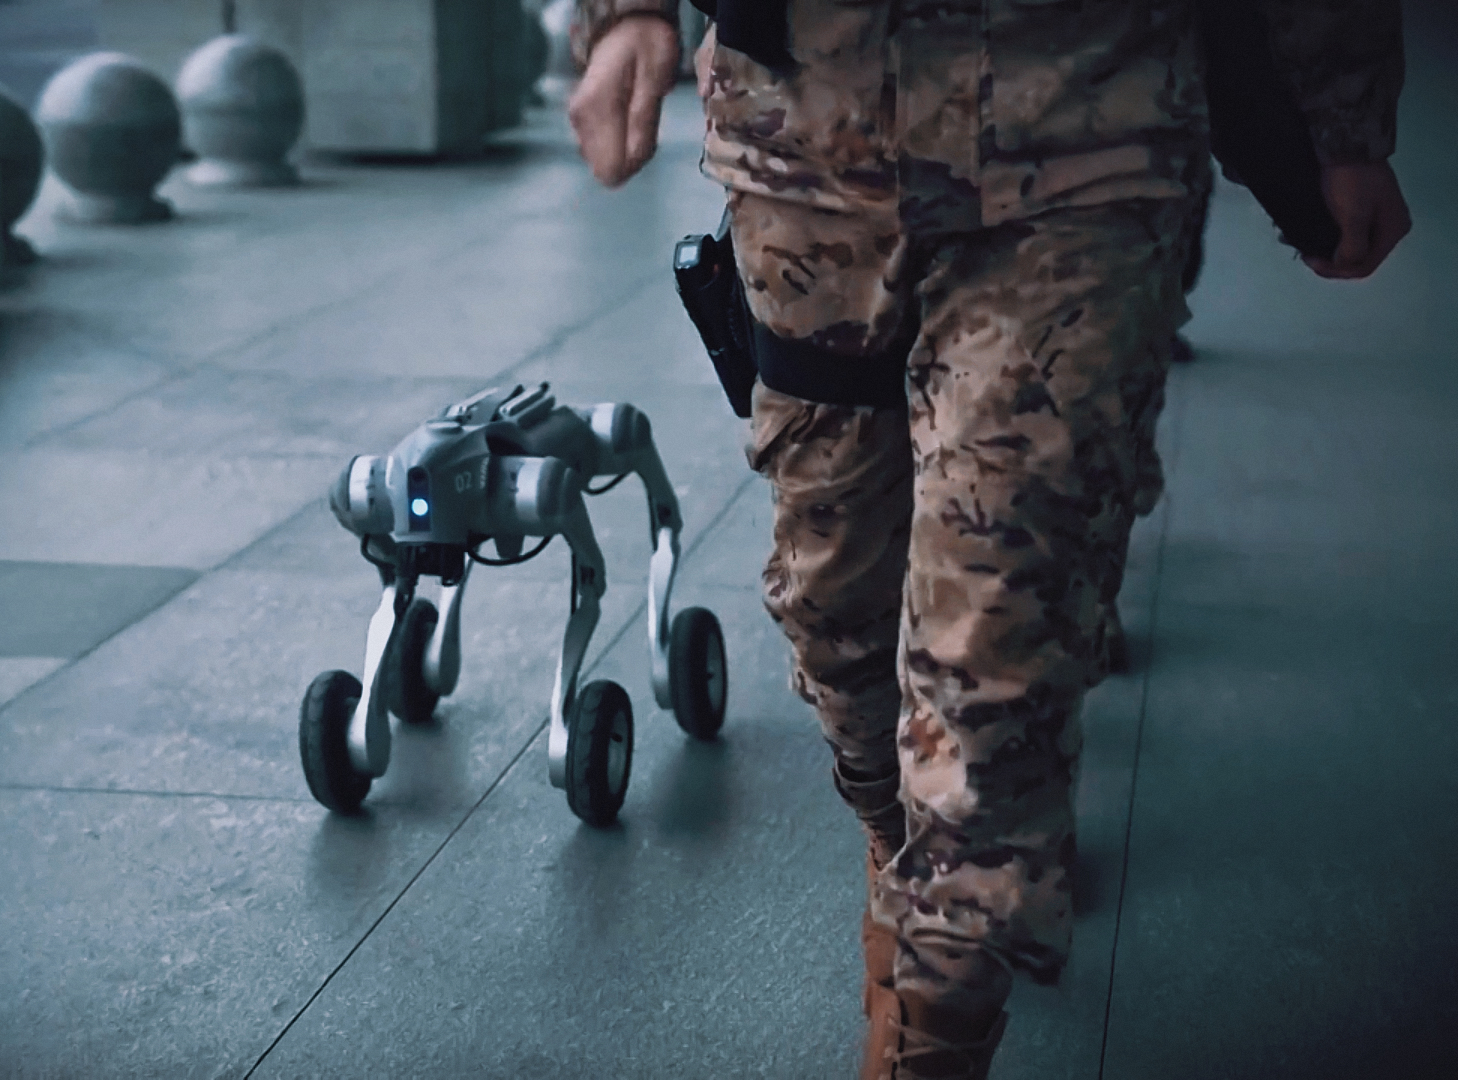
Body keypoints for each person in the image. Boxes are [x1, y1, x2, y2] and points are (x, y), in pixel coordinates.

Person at [564, 2, 1409, 1077]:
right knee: (835, 616)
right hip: (810, 140)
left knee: (997, 666)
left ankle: (933, 1027)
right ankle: (894, 843)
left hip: (1084, 138)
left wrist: (1338, 119)